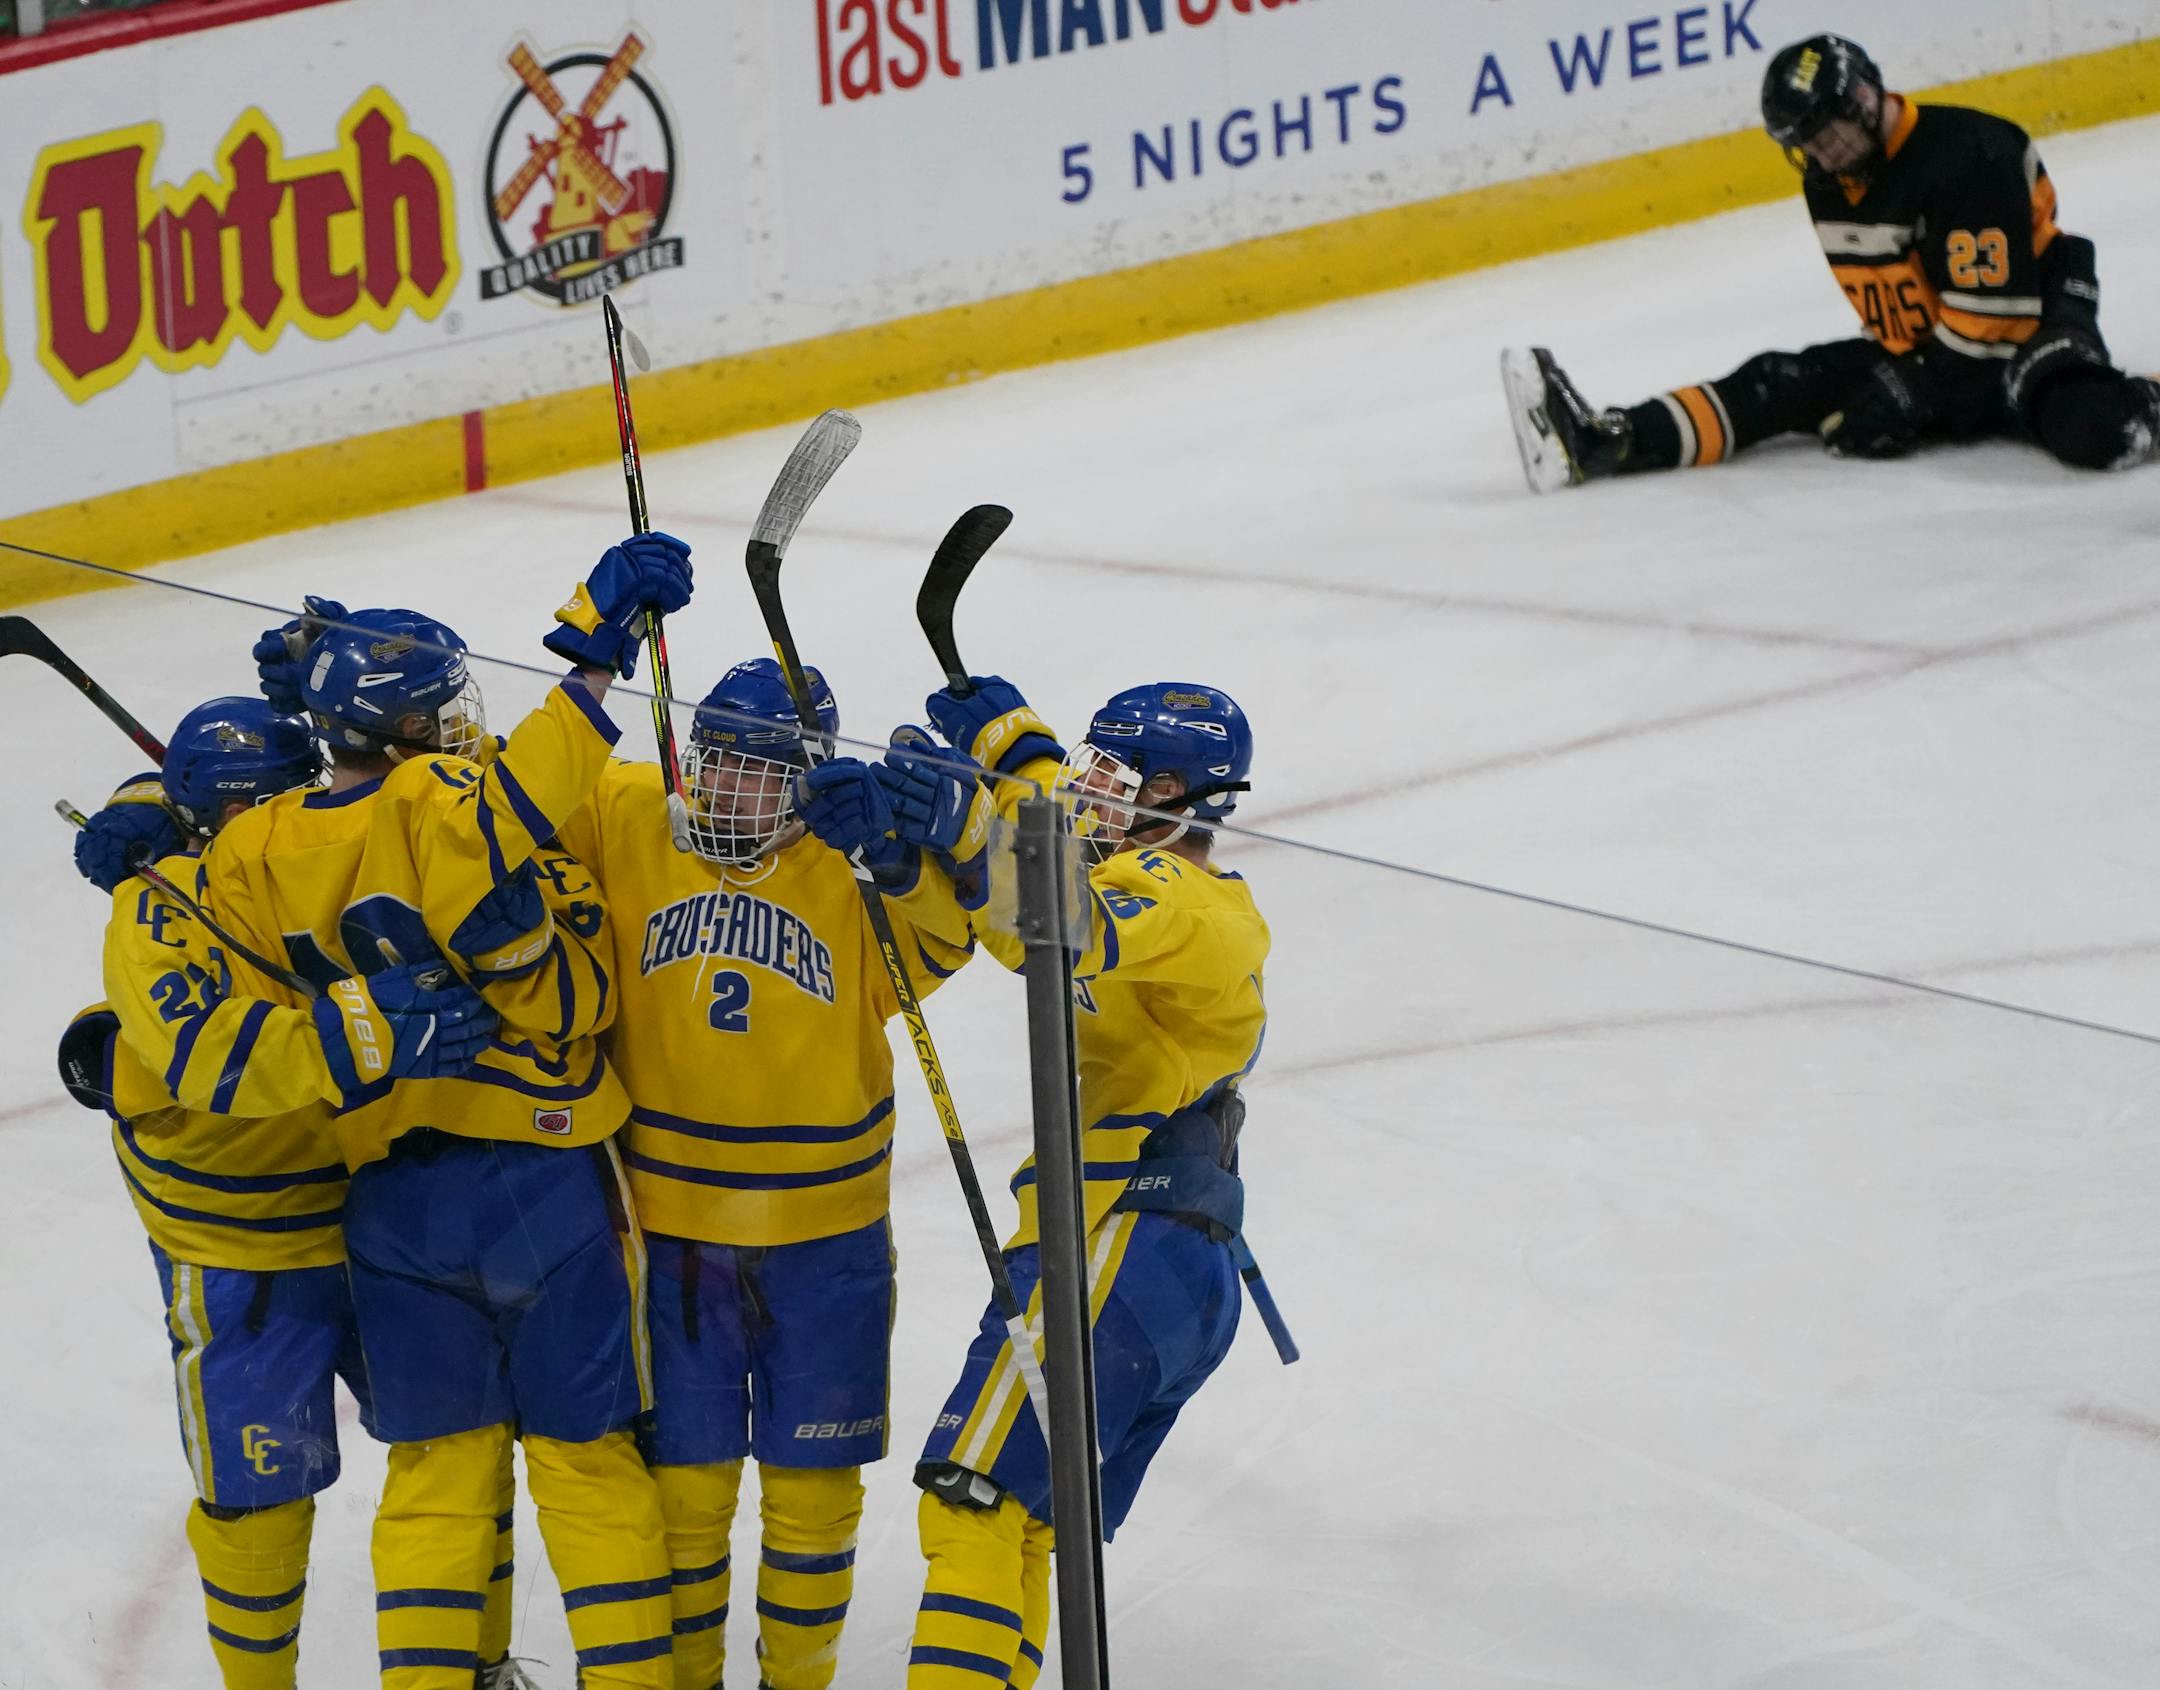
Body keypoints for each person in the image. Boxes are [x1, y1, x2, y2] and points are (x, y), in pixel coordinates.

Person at [197, 535, 693, 1690]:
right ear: (410, 729)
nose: (462, 721)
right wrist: (597, 649)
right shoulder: (444, 795)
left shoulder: (252, 845)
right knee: (587, 1463)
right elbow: (524, 793)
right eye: (443, 704)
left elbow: (251, 983)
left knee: (435, 1471)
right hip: (539, 1179)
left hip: (389, 1195)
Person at [59, 697, 520, 1690]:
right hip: (246, 1252)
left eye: (296, 794)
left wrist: (141, 793)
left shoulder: (326, 846)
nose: (290, 821)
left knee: (460, 1447)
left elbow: (446, 794)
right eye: (259, 808)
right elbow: (216, 1058)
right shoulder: (158, 911)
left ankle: (477, 1664)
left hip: (387, 1220)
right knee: (254, 1492)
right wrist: (377, 1024)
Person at [550, 658, 976, 1690]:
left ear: (808, 779)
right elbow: (495, 794)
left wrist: (896, 852)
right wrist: (586, 659)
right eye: (714, 761)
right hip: (673, 1230)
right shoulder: (629, 813)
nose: (725, 788)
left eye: (756, 771)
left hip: (827, 1241)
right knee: (686, 1491)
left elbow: (957, 933)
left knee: (814, 1493)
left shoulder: (853, 869)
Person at [874, 678, 1269, 1689]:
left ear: (1176, 793)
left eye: (1115, 770)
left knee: (972, 1499)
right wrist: (959, 824)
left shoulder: (1180, 895)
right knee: (1025, 1523)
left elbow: (1063, 913)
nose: (1092, 785)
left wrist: (981, 807)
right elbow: (1021, 927)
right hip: (1157, 1261)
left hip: (1120, 1248)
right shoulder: (1132, 882)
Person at [1502, 33, 2160, 490]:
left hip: (2030, 339)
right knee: (1778, 380)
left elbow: (1994, 326)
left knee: (2098, 431)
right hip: (1937, 356)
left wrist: (1907, 394)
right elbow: (1900, 319)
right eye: (1806, 143)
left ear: (1865, 98)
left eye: (1830, 130)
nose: (1824, 152)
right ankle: (1602, 441)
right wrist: (1898, 386)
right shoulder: (1828, 179)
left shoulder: (1969, 154)